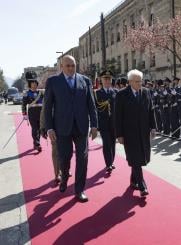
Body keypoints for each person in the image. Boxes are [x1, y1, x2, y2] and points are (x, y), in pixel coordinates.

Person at [44, 55, 98, 202]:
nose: (71, 68)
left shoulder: (85, 81)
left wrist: (94, 124)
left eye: (73, 65)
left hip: (81, 127)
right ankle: (64, 177)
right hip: (61, 128)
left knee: (83, 157)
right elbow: (47, 107)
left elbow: (91, 104)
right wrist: (49, 128)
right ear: (62, 66)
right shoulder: (53, 81)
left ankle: (79, 189)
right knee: (64, 157)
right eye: (68, 66)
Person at [115, 69, 156, 197]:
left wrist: (153, 127)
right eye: (137, 81)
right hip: (129, 133)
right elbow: (117, 116)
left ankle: (133, 180)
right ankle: (142, 186)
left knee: (139, 157)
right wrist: (119, 134)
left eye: (141, 81)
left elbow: (151, 110)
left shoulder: (146, 92)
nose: (140, 84)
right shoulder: (121, 95)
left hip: (143, 132)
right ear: (130, 82)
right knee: (136, 158)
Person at [95, 70, 117, 174]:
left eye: (109, 79)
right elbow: (95, 109)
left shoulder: (116, 92)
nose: (107, 81)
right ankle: (108, 164)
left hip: (114, 123)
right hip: (103, 123)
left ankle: (112, 161)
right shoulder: (97, 93)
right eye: (105, 79)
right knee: (107, 143)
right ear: (101, 80)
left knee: (113, 143)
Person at [22, 71, 44, 152]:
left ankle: (36, 142)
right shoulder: (27, 93)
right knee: (35, 129)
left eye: (35, 83)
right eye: (32, 83)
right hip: (32, 114)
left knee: (40, 129)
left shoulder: (40, 92)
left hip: (41, 113)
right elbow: (24, 104)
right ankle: (37, 144)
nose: (34, 84)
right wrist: (24, 114)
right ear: (30, 84)